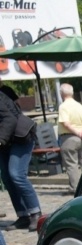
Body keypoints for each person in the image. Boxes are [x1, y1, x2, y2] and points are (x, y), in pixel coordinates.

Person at [0, 90, 41, 232]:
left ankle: (36, 213)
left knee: (16, 174)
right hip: (7, 140)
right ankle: (23, 215)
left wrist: (1, 139)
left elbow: (9, 119)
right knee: (7, 178)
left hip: (21, 137)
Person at [57, 83, 82, 193]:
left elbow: (66, 123)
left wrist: (77, 132)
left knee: (71, 164)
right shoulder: (80, 106)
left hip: (69, 138)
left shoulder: (63, 106)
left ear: (61, 93)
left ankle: (76, 188)